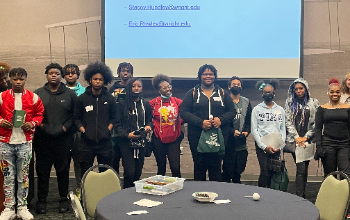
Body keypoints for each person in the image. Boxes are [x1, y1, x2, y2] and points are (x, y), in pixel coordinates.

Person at [0, 67, 44, 220]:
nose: (18, 82)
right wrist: (1, 121)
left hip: (25, 143)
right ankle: (9, 208)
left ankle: (22, 207)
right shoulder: (1, 96)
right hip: (5, 143)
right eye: (15, 79)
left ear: (26, 79)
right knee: (8, 177)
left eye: (21, 79)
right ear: (9, 80)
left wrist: (32, 123)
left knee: (23, 177)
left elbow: (40, 115)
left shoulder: (33, 97)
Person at [33, 63, 77, 214]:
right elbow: (32, 114)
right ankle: (41, 200)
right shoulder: (37, 93)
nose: (54, 75)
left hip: (63, 140)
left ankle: (63, 199)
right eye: (51, 73)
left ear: (61, 76)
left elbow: (75, 115)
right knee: (43, 172)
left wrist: (64, 127)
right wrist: (42, 127)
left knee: (63, 171)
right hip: (42, 140)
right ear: (46, 75)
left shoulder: (70, 94)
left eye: (57, 73)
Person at [180, 64, 236, 181]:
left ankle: (215, 195)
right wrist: (201, 123)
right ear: (200, 76)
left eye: (211, 74)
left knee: (215, 168)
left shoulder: (222, 93)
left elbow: (232, 111)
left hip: (219, 136)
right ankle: (199, 196)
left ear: (215, 76)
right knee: (199, 167)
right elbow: (184, 112)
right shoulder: (193, 93)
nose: (208, 76)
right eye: (205, 74)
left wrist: (221, 120)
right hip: (197, 136)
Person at [73, 61, 117, 180]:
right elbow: (76, 118)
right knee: (86, 173)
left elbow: (114, 117)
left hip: (105, 143)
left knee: (106, 173)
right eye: (95, 79)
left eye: (101, 79)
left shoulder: (110, 99)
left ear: (104, 81)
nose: (98, 81)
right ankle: (85, 197)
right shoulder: (82, 98)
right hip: (86, 143)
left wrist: (108, 130)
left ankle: (106, 197)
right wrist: (83, 131)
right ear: (90, 79)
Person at [114, 78, 153, 188]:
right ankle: (126, 195)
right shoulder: (121, 104)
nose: (136, 88)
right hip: (126, 143)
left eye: (139, 86)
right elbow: (117, 124)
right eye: (133, 86)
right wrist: (127, 135)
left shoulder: (145, 104)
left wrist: (149, 126)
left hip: (141, 142)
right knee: (129, 172)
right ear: (129, 87)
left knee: (138, 172)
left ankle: (135, 196)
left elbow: (150, 120)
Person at [285, 78, 319, 198]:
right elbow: (288, 121)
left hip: (308, 141)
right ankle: (299, 196)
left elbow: (316, 123)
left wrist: (306, 137)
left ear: (306, 88)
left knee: (305, 168)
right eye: (296, 89)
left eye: (301, 88)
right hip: (295, 141)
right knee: (301, 168)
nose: (299, 91)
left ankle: (302, 193)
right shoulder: (289, 102)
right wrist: (297, 137)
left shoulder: (314, 102)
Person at [251, 79, 286, 188]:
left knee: (274, 172)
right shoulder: (257, 110)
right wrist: (263, 146)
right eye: (266, 92)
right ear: (262, 93)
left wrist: (280, 145)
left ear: (274, 92)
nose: (268, 94)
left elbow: (283, 128)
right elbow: (254, 129)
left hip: (276, 146)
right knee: (265, 171)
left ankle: (274, 196)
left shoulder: (280, 110)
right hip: (262, 147)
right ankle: (263, 195)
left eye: (270, 91)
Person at [314, 78, 350, 178]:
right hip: (328, 144)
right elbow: (318, 128)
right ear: (328, 93)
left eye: (337, 92)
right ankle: (331, 194)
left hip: (345, 145)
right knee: (330, 174)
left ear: (340, 93)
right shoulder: (322, 108)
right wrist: (319, 146)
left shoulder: (347, 108)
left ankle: (345, 194)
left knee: (346, 174)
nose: (335, 94)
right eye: (332, 92)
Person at [149, 74, 183, 178]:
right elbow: (146, 118)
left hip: (174, 138)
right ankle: (160, 191)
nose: (168, 89)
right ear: (159, 90)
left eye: (169, 86)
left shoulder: (177, 102)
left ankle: (178, 190)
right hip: (158, 139)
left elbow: (186, 114)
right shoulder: (153, 103)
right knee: (161, 168)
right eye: (165, 88)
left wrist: (179, 122)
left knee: (175, 167)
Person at [222, 76, 252, 183]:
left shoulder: (246, 102)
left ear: (241, 87)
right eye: (234, 85)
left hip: (241, 139)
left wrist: (247, 131)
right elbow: (222, 120)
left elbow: (249, 119)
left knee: (238, 168)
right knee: (227, 168)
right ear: (229, 87)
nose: (236, 86)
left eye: (238, 85)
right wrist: (231, 131)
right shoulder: (224, 101)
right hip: (228, 139)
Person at [63, 63, 85, 200]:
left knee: (79, 163)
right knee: (64, 164)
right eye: (67, 73)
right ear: (63, 76)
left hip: (78, 133)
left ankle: (80, 189)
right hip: (63, 133)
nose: (70, 75)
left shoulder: (84, 91)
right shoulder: (59, 90)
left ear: (78, 74)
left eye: (73, 72)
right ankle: (63, 192)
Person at [109, 62, 133, 174]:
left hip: (129, 131)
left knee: (128, 166)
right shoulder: (112, 89)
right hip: (114, 131)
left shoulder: (133, 88)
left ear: (131, 73)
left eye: (128, 71)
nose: (125, 73)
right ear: (119, 72)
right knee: (113, 162)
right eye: (123, 71)